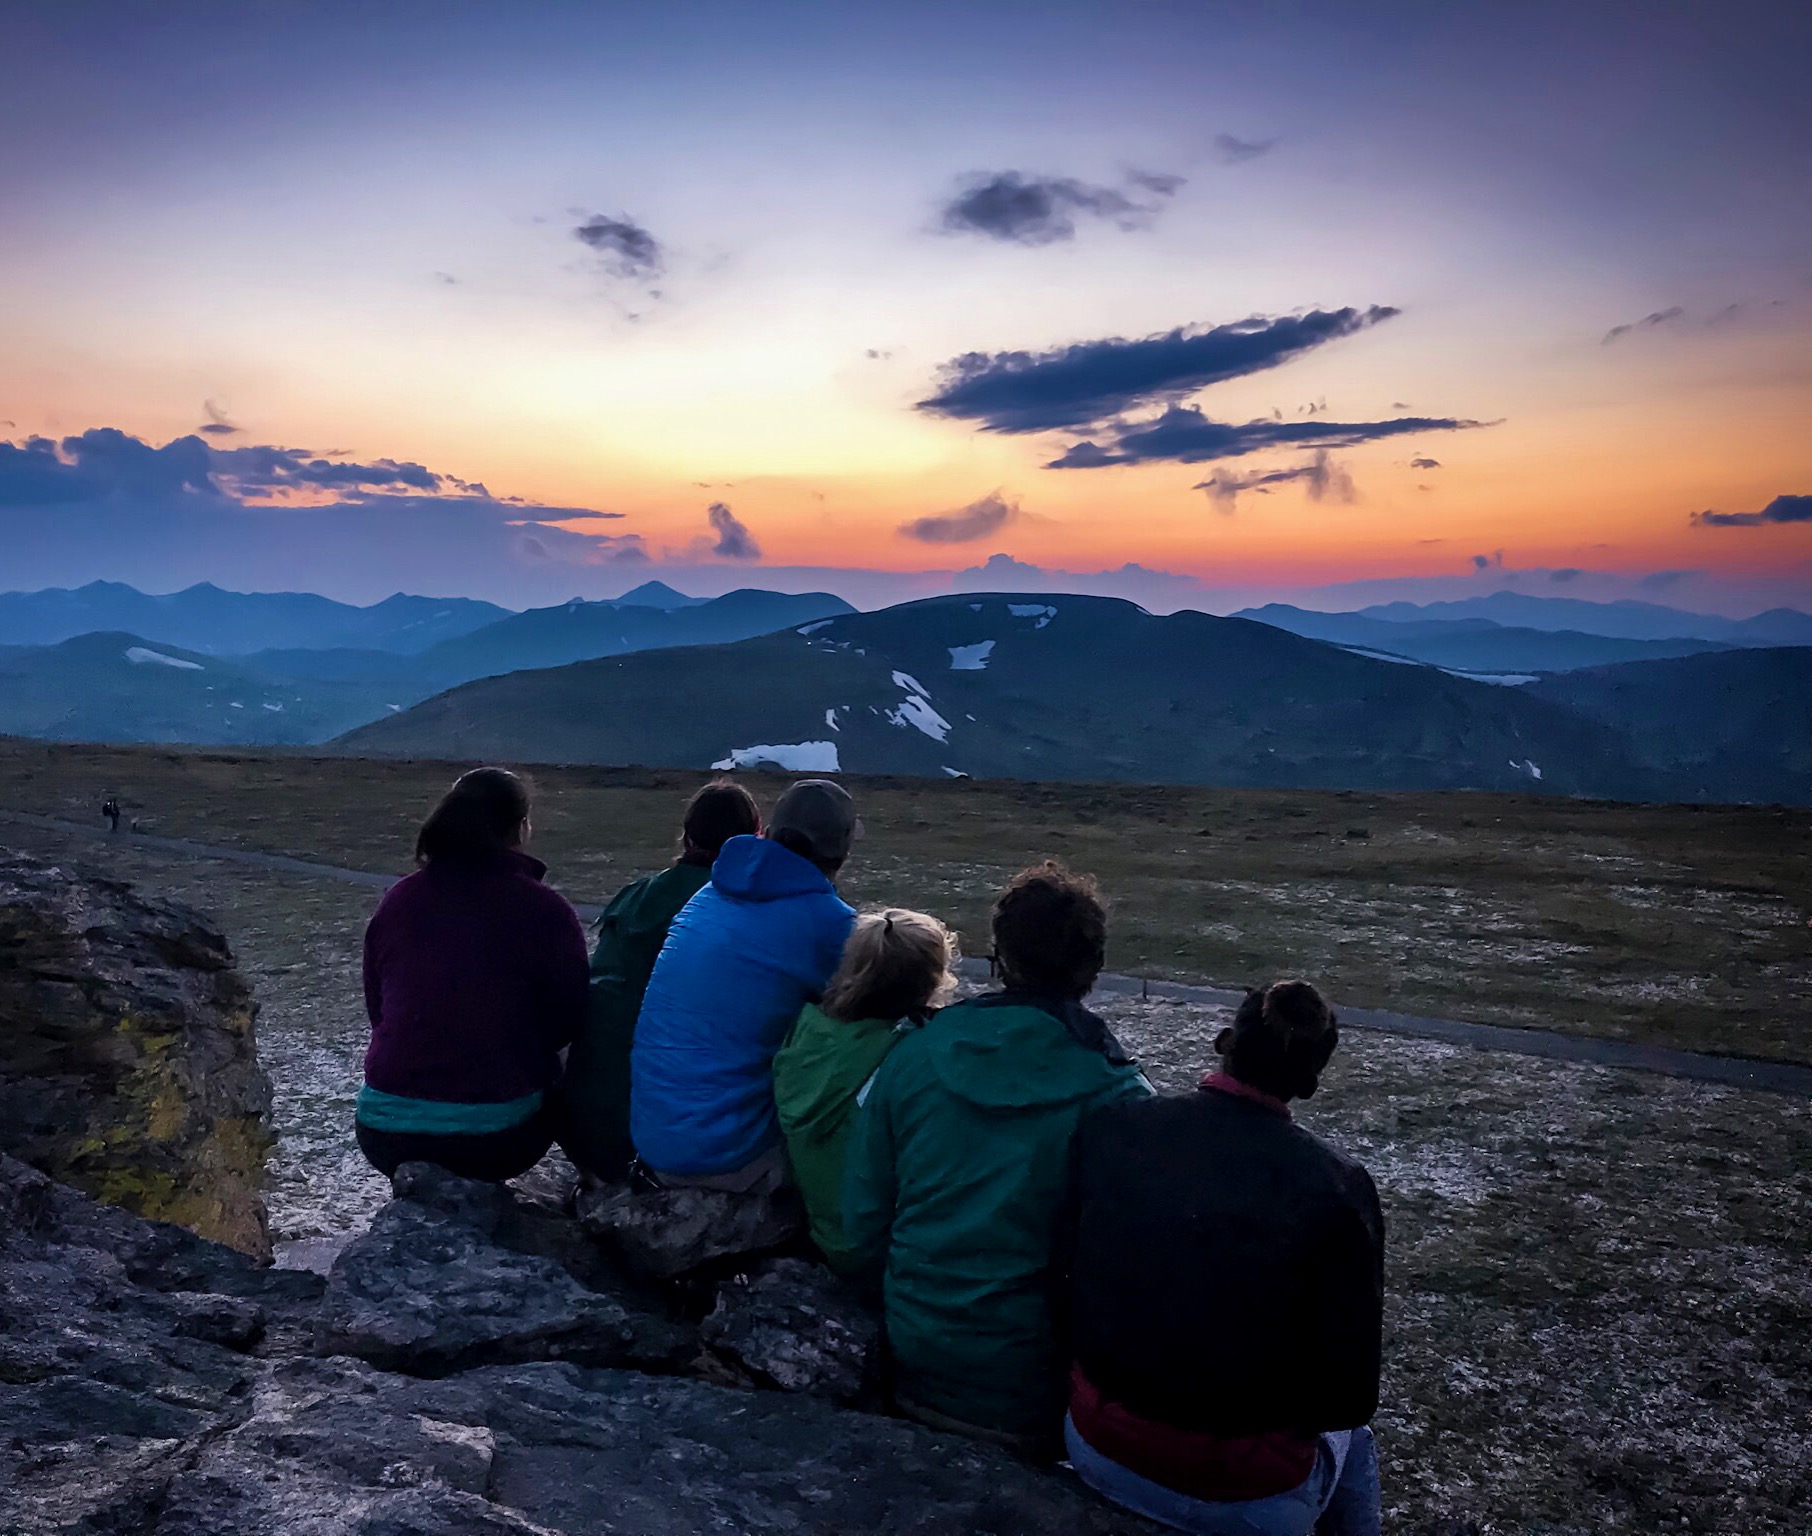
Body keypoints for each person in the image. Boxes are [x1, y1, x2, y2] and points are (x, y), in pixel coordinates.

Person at [843, 861, 1151, 1459]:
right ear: (1091, 969)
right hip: (1038, 1388)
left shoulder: (914, 1058)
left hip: (916, 1350)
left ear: (998, 958)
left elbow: (861, 1228)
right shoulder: (1123, 1099)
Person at [1061, 981, 1385, 1536]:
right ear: (1309, 1081)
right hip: (1247, 1492)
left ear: (1225, 1041)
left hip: (1099, 1442)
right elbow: (1350, 1398)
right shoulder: (1337, 1188)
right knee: (1356, 1447)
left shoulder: (1118, 1129)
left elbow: (1066, 1277)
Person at [356, 767, 589, 1182]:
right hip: (495, 1141)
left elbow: (378, 1010)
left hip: (382, 1132)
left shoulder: (399, 900)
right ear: (521, 827)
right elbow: (569, 1020)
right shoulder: (546, 910)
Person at [630, 778, 860, 1192]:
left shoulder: (709, 894)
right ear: (842, 851)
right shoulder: (831, 923)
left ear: (767, 833)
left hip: (654, 1141)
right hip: (729, 1160)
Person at [552, 779, 761, 1182]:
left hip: (584, 1125)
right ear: (756, 838)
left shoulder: (634, 897)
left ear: (686, 837)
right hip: (662, 1141)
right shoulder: (737, 912)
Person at [773, 907, 958, 1273]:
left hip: (822, 1230)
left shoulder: (809, 1029)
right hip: (873, 1251)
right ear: (932, 982)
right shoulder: (909, 1057)